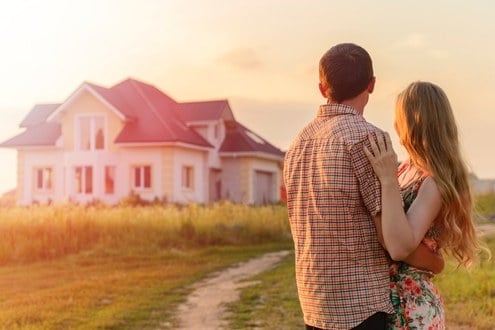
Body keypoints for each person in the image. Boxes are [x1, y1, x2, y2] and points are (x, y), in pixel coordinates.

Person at [284, 43, 443, 330]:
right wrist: (435, 263)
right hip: (360, 306)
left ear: (322, 89)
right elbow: (392, 239)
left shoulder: (297, 143)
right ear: (371, 85)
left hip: (314, 301)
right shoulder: (369, 140)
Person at [364, 81, 485, 329]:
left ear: (412, 122)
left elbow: (400, 246)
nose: (394, 125)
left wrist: (386, 179)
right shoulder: (405, 170)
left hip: (411, 309)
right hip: (392, 301)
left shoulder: (434, 184)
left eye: (398, 117)